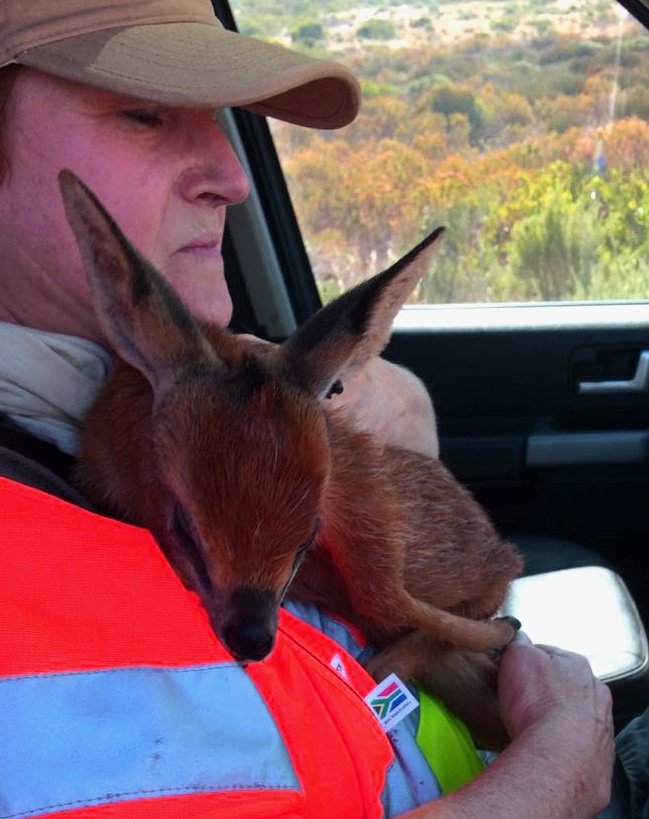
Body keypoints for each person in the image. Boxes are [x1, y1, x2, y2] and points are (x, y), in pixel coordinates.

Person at [0, 1, 636, 817]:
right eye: (144, 116)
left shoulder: (184, 413)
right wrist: (554, 778)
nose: (230, 175)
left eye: (220, 121)